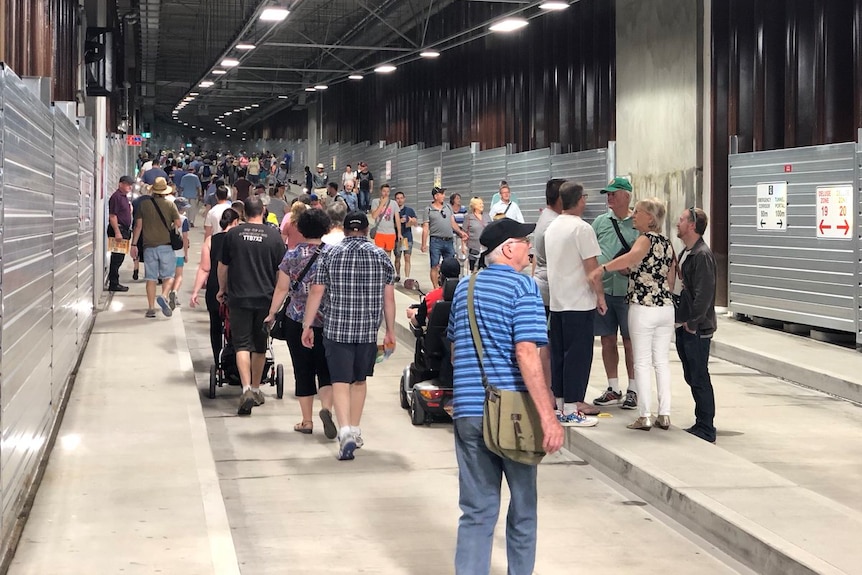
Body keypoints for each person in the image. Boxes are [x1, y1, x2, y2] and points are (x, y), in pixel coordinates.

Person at [446, 217, 564, 575]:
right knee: (524, 509)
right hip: (513, 414)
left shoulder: (464, 288)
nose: (530, 248)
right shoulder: (522, 288)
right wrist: (548, 417)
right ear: (509, 249)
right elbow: (527, 354)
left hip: (469, 411)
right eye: (525, 242)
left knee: (477, 510)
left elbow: (454, 352)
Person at [300, 211, 396, 460]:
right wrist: (391, 332)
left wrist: (307, 325)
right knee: (360, 381)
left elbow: (316, 291)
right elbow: (388, 298)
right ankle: (355, 429)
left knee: (340, 381)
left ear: (344, 230)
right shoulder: (381, 256)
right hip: (366, 331)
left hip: (336, 329)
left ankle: (344, 433)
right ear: (366, 230)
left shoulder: (330, 253)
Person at [590, 198, 676, 431]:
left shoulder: (644, 239)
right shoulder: (667, 242)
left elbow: (631, 258)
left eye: (638, 212)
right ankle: (665, 413)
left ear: (651, 218)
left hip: (643, 306)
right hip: (665, 307)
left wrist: (603, 268)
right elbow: (670, 278)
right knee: (661, 362)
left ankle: (645, 415)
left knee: (642, 362)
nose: (634, 216)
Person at [265, 209, 336, 438]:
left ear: (302, 229)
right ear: (326, 229)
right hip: (327, 320)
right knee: (326, 370)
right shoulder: (332, 254)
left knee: (302, 370)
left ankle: (307, 421)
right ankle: (326, 409)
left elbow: (282, 288)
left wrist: (272, 312)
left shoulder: (292, 255)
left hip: (296, 318)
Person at [217, 197, 286, 416]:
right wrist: (276, 297)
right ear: (263, 211)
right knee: (259, 345)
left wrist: (222, 289)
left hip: (239, 298)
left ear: (244, 212)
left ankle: (245, 388)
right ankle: (256, 389)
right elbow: (280, 272)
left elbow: (223, 266)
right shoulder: (274, 236)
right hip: (264, 300)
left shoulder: (233, 235)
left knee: (241, 345)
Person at [543, 181, 605, 425]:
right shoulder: (582, 229)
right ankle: (571, 410)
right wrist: (600, 296)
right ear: (580, 200)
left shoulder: (552, 227)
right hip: (579, 303)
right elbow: (592, 268)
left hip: (558, 302)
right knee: (578, 356)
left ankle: (559, 406)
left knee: (559, 354)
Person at [591, 177, 641, 410]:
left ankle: (634, 388)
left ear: (626, 196)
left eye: (613, 193)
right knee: (607, 339)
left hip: (629, 293)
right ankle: (613, 387)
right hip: (604, 291)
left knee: (630, 342)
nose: (609, 197)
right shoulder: (600, 222)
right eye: (607, 194)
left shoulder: (639, 222)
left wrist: (632, 269)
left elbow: (648, 255)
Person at [675, 207, 717, 443]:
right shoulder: (688, 252)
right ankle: (700, 421)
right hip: (686, 324)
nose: (677, 223)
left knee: (699, 376)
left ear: (692, 225)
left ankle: (706, 426)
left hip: (697, 327)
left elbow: (705, 295)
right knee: (692, 375)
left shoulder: (701, 255)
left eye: (681, 220)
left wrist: (693, 323)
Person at [190, 208, 241, 365]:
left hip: (214, 287)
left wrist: (195, 291)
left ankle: (218, 360)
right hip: (236, 287)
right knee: (238, 324)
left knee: (215, 325)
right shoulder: (239, 239)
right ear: (236, 222)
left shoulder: (210, 241)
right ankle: (236, 359)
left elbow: (205, 268)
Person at [130, 177, 182, 318]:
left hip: (148, 247)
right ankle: (164, 296)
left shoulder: (144, 205)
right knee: (169, 276)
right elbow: (178, 223)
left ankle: (151, 308)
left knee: (151, 278)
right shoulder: (170, 205)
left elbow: (138, 226)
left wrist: (134, 244)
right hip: (166, 245)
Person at [532, 179, 564, 390]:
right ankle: (547, 389)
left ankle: (547, 387)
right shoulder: (554, 223)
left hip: (543, 284)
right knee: (548, 344)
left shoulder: (546, 217)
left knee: (547, 342)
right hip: (549, 287)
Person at [421, 186, 468, 289]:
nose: (444, 196)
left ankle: (447, 286)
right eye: (441, 194)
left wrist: (460, 232)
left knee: (450, 264)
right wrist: (423, 244)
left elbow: (452, 222)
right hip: (435, 240)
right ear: (436, 196)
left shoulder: (448, 207)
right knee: (434, 265)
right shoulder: (428, 210)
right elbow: (425, 228)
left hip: (449, 240)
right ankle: (436, 287)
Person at [407, 257, 460, 328]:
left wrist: (413, 314)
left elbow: (417, 322)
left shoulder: (431, 297)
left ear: (441, 275)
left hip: (435, 338)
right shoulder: (466, 296)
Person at [107, 175, 134, 292]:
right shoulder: (116, 197)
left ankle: (114, 280)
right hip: (118, 230)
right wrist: (117, 232)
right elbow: (112, 216)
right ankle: (114, 283)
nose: (130, 187)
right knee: (117, 258)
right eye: (128, 184)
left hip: (124, 230)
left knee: (120, 257)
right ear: (121, 184)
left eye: (130, 185)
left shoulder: (124, 197)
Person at [369, 183, 401, 257]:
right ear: (381, 192)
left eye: (387, 191)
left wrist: (399, 232)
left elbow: (397, 219)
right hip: (379, 232)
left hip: (390, 233)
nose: (386, 193)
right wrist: (382, 204)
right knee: (379, 253)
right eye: (384, 191)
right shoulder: (375, 201)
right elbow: (374, 216)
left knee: (388, 254)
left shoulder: (393, 203)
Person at [171, 197, 191, 309]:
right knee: (179, 275)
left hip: (168, 251)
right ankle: (174, 292)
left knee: (169, 276)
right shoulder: (184, 219)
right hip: (179, 252)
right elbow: (185, 238)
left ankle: (169, 294)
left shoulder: (168, 217)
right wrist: (186, 254)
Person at [462, 196, 491, 272]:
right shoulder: (468, 217)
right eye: (480, 204)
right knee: (474, 271)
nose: (482, 205)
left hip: (486, 249)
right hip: (474, 249)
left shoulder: (487, 216)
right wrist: (463, 246)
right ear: (474, 206)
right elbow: (464, 233)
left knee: (486, 270)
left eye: (482, 203)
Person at [393, 190, 416, 282]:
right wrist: (398, 222)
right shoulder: (394, 211)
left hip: (407, 236)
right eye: (397, 198)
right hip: (397, 237)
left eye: (401, 198)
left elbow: (416, 222)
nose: (400, 200)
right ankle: (398, 274)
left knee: (407, 257)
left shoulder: (409, 210)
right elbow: (390, 224)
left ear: (404, 199)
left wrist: (411, 221)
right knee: (397, 257)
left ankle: (407, 277)